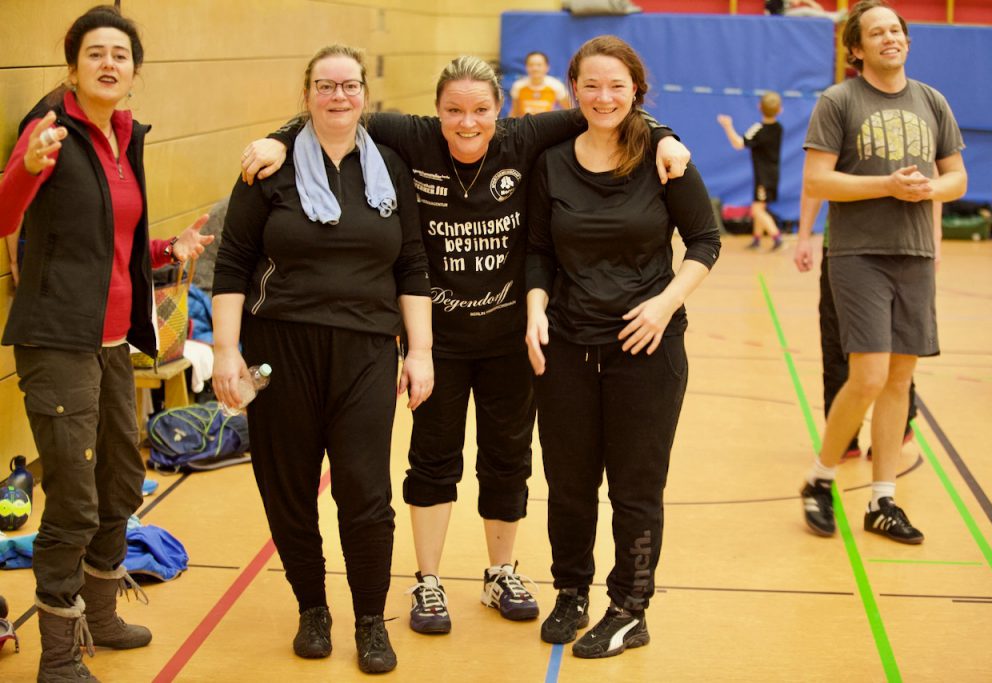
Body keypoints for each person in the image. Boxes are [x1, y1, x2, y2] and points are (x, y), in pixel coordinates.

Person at [240, 57, 691, 638]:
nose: (467, 121)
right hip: (439, 343)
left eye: (480, 109)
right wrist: (278, 140)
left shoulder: (522, 138)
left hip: (509, 339)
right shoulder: (413, 137)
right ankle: (428, 580)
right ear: (436, 112)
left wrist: (664, 134)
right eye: (453, 110)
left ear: (500, 111)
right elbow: (339, 110)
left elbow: (604, 108)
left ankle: (500, 572)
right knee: (432, 459)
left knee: (507, 460)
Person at [0, 6, 212, 681]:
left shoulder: (124, 135)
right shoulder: (50, 130)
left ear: (135, 72)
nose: (108, 63)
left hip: (113, 342)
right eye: (95, 53)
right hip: (57, 340)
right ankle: (59, 654)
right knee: (73, 501)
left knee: (120, 481)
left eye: (120, 54)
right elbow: (3, 214)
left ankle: (102, 613)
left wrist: (168, 249)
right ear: (73, 68)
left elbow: (111, 242)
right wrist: (28, 167)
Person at [212, 44, 433, 675]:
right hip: (278, 350)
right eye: (326, 85)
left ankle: (369, 620)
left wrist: (420, 350)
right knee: (287, 489)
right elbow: (232, 263)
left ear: (365, 94)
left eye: (349, 85)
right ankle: (312, 608)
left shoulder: (390, 167)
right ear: (307, 93)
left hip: (366, 349)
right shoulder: (268, 169)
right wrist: (225, 351)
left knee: (366, 492)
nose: (339, 96)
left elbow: (411, 263)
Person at [525, 35, 720, 659]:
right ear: (573, 90)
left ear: (636, 89)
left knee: (635, 488)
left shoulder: (665, 159)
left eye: (616, 85)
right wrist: (535, 309)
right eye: (591, 85)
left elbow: (706, 240)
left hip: (646, 348)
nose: (603, 97)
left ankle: (630, 609)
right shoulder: (552, 161)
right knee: (569, 483)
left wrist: (665, 304)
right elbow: (538, 251)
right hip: (567, 346)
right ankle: (571, 591)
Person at [794, 0, 966, 545]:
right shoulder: (839, 100)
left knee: (898, 380)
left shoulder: (932, 101)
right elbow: (818, 181)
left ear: (907, 41)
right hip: (858, 254)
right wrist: (887, 186)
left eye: (896, 30)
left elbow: (957, 177)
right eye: (877, 32)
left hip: (914, 255)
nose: (890, 37)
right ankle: (820, 478)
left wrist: (929, 188)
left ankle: (882, 500)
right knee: (868, 376)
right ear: (856, 48)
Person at [795, 195, 926, 460]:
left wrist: (933, 238)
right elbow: (814, 183)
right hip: (844, 249)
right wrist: (804, 236)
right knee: (837, 343)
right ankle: (843, 436)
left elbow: (936, 180)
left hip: (898, 248)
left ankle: (897, 428)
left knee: (896, 347)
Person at [717, 92, 784, 251]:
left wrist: (727, 126)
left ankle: (777, 238)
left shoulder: (759, 129)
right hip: (772, 174)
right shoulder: (779, 128)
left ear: (759, 107)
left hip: (763, 177)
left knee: (757, 210)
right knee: (759, 207)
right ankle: (756, 240)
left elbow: (738, 144)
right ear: (779, 110)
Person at [509, 51, 571, 117]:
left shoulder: (557, 86)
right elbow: (514, 113)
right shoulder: (518, 86)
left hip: (548, 123)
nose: (535, 68)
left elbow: (568, 110)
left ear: (547, 67)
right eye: (531, 65)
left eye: (539, 65)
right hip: (525, 123)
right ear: (526, 67)